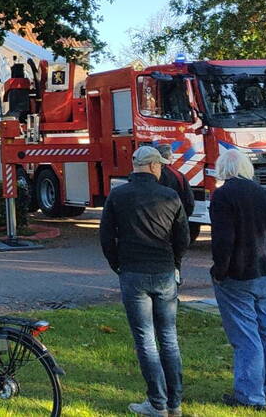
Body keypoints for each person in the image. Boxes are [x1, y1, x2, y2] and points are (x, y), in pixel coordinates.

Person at [100, 145, 190, 417]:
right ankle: (174, 403)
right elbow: (183, 238)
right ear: (152, 166)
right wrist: (174, 263)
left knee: (145, 339)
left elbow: (106, 238)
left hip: (132, 272)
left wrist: (118, 264)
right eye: (160, 165)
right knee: (169, 338)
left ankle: (157, 402)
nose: (162, 169)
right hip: (163, 272)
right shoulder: (170, 196)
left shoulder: (118, 196)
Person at [210, 148, 266, 410]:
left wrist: (219, 271)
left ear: (223, 169)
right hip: (264, 270)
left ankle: (250, 394)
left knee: (245, 336)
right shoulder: (264, 194)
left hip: (237, 274)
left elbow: (224, 239)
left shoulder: (223, 196)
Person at [155, 143, 195, 222]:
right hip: (174, 217)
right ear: (168, 157)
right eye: (171, 155)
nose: (173, 157)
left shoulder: (151, 173)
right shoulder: (178, 175)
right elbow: (189, 201)